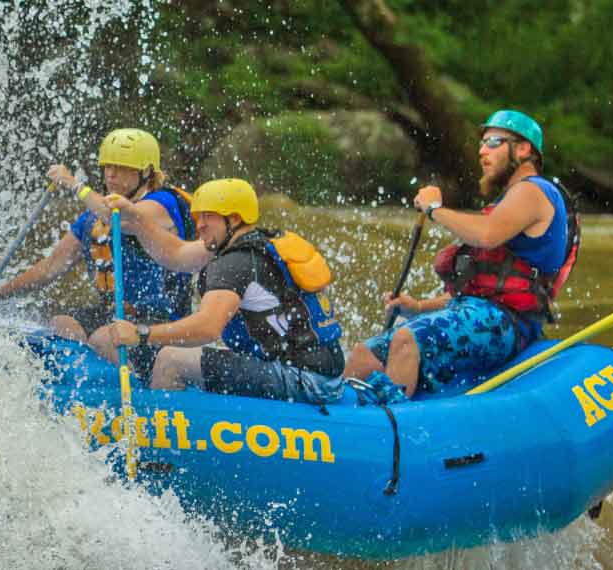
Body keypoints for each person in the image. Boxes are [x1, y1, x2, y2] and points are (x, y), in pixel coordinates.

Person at [339, 110, 579, 400]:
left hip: (510, 324)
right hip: (482, 313)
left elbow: (485, 235)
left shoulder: (534, 191)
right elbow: (476, 294)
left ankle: (389, 429)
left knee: (406, 340)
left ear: (523, 149)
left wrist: (434, 209)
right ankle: (339, 426)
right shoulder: (508, 204)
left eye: (493, 142)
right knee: (363, 354)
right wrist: (417, 306)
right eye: (481, 144)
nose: (481, 151)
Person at [103, 178, 360, 403]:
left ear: (234, 218)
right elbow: (177, 253)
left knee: (171, 360)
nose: (199, 225)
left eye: (209, 216)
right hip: (325, 374)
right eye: (198, 216)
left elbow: (207, 328)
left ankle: (160, 455)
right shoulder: (259, 244)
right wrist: (136, 217)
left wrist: (141, 333)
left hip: (303, 381)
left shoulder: (234, 264)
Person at [0, 128, 195, 355]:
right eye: (107, 167)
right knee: (63, 324)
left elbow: (120, 217)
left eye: (121, 167)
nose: (111, 174)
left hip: (164, 321)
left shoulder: (163, 203)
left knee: (104, 337)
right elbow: (50, 267)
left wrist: (75, 185)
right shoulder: (92, 219)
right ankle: (84, 379)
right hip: (116, 316)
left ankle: (133, 385)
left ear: (146, 172)